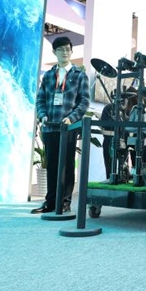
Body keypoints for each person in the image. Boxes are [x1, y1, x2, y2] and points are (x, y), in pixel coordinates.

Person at [32, 36, 90, 214]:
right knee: (52, 167)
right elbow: (40, 99)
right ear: (54, 52)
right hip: (49, 127)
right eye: (61, 49)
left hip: (68, 128)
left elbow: (84, 101)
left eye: (67, 49)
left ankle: (64, 202)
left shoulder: (79, 75)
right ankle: (50, 202)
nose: (65, 52)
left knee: (66, 166)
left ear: (71, 52)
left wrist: (72, 118)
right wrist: (42, 116)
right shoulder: (49, 75)